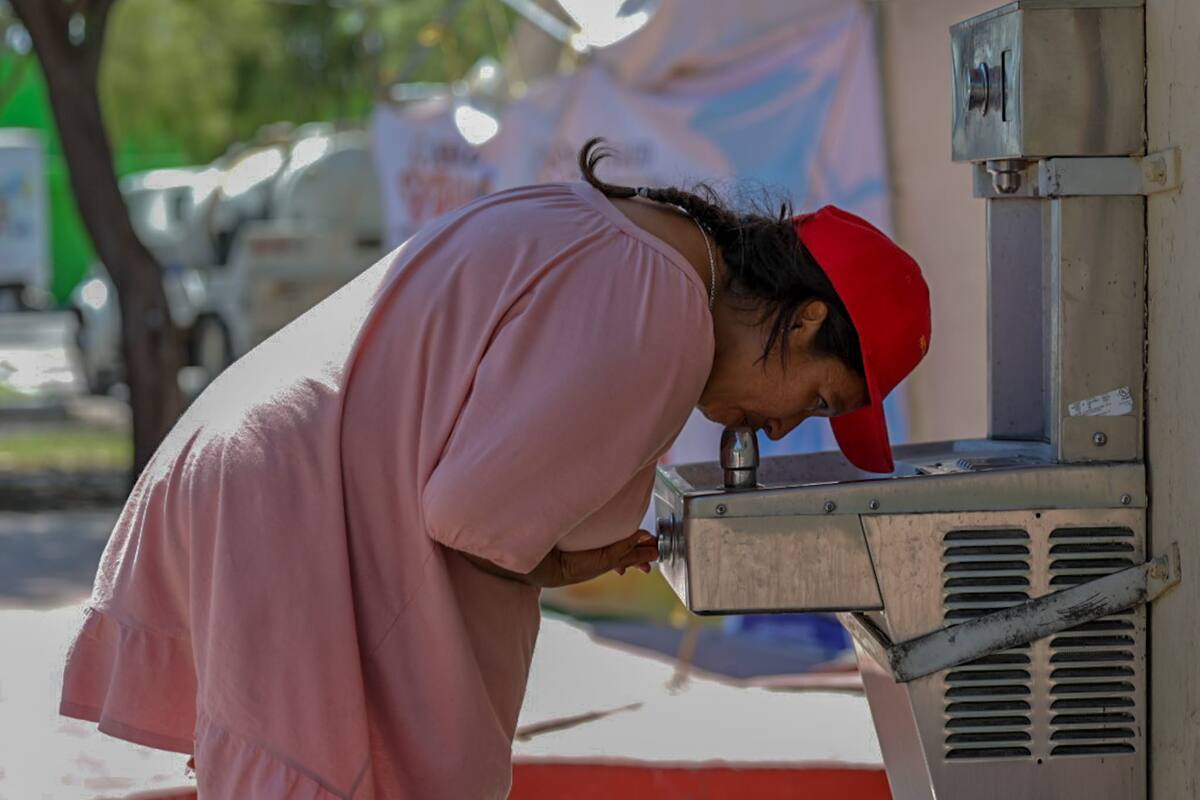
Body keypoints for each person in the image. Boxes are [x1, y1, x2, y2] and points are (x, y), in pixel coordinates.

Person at [59, 138, 930, 798]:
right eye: (816, 402)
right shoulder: (670, 315)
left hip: (251, 458)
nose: (780, 430)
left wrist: (551, 557)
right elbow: (473, 518)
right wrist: (546, 558)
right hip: (294, 507)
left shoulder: (631, 238)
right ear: (807, 319)